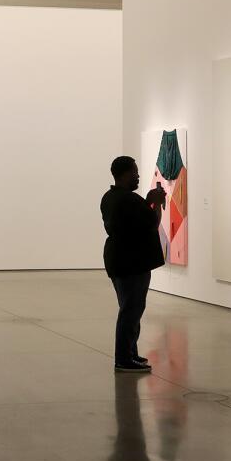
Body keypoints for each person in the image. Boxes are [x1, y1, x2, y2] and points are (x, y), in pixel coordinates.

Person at [101, 155, 165, 373]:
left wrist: (147, 201)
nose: (137, 176)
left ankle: (130, 354)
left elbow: (131, 221)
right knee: (131, 310)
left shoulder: (109, 197)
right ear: (126, 173)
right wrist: (155, 203)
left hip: (118, 260)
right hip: (132, 262)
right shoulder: (129, 199)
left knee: (129, 309)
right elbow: (151, 222)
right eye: (135, 172)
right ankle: (124, 359)